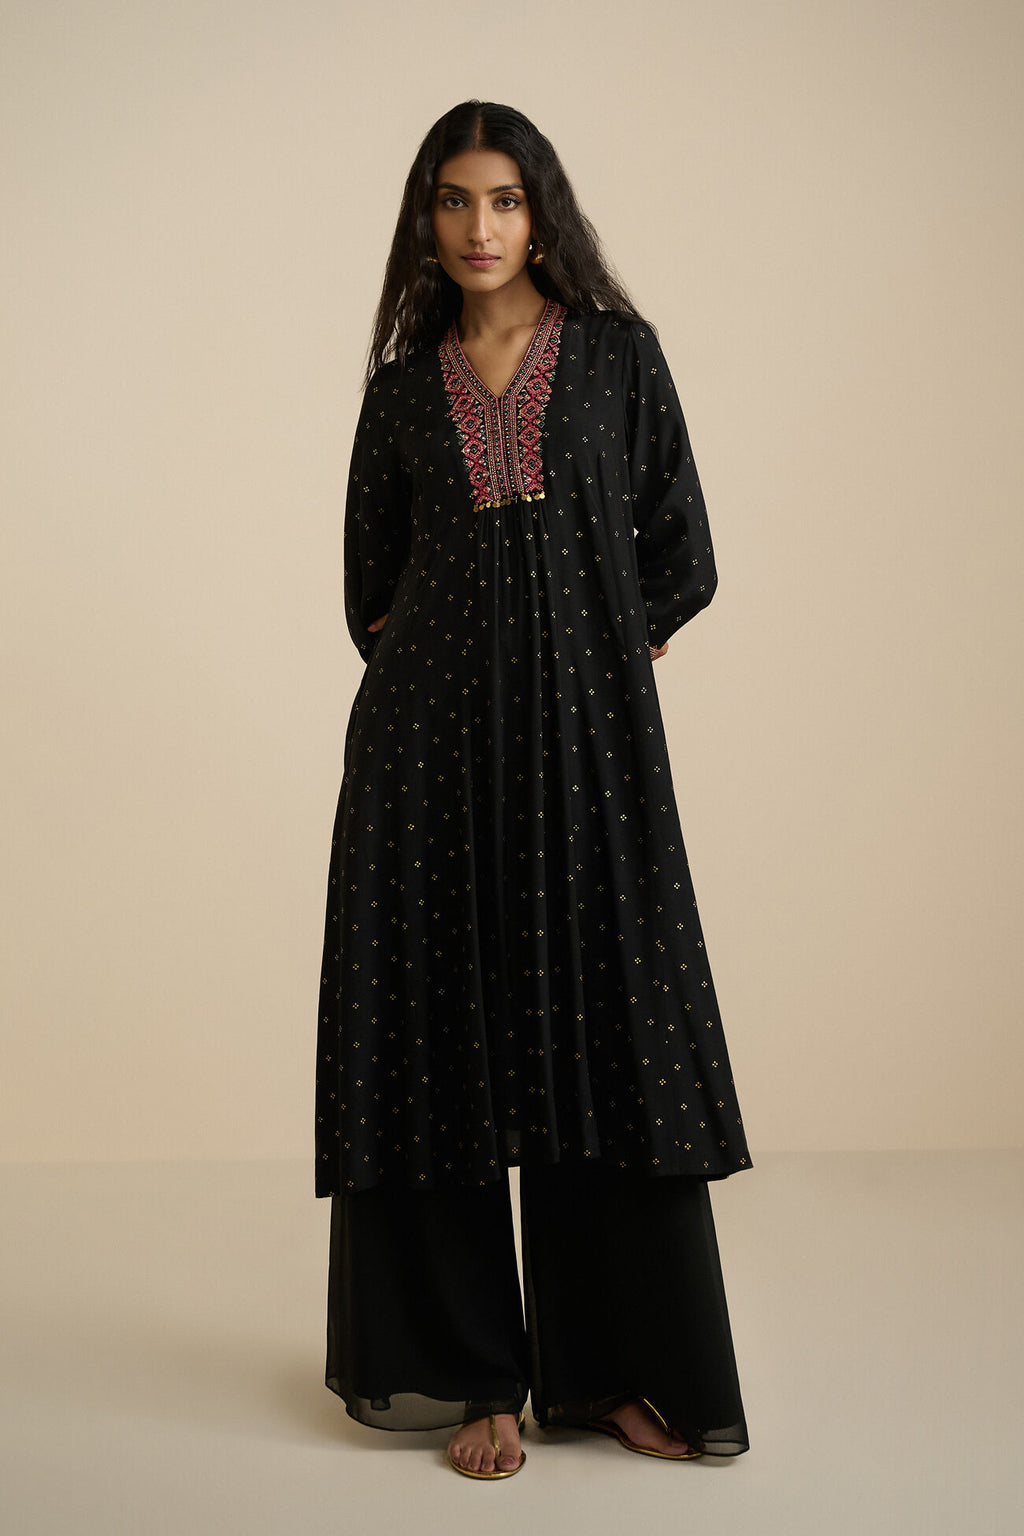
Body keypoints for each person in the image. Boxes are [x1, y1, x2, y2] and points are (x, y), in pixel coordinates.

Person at [314, 99, 753, 1480]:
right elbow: (367, 583)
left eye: (504, 200)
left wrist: (588, 657)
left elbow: (681, 544)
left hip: (589, 756)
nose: (480, 227)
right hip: (425, 761)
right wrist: (465, 663)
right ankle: (474, 1374)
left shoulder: (620, 360)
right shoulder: (401, 389)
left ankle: (617, 1372)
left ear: (542, 210)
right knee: (442, 1040)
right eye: (453, 201)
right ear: (423, 220)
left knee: (606, 1038)